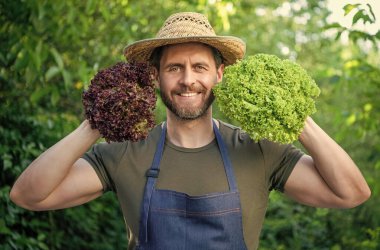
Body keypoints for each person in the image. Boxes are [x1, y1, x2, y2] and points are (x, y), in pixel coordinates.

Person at [10, 12, 370, 250]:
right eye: (174, 68)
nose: (187, 80)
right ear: (155, 77)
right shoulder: (124, 153)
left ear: (219, 75)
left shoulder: (257, 150)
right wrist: (96, 122)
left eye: (199, 66)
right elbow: (29, 196)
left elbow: (351, 193)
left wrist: (294, 117)